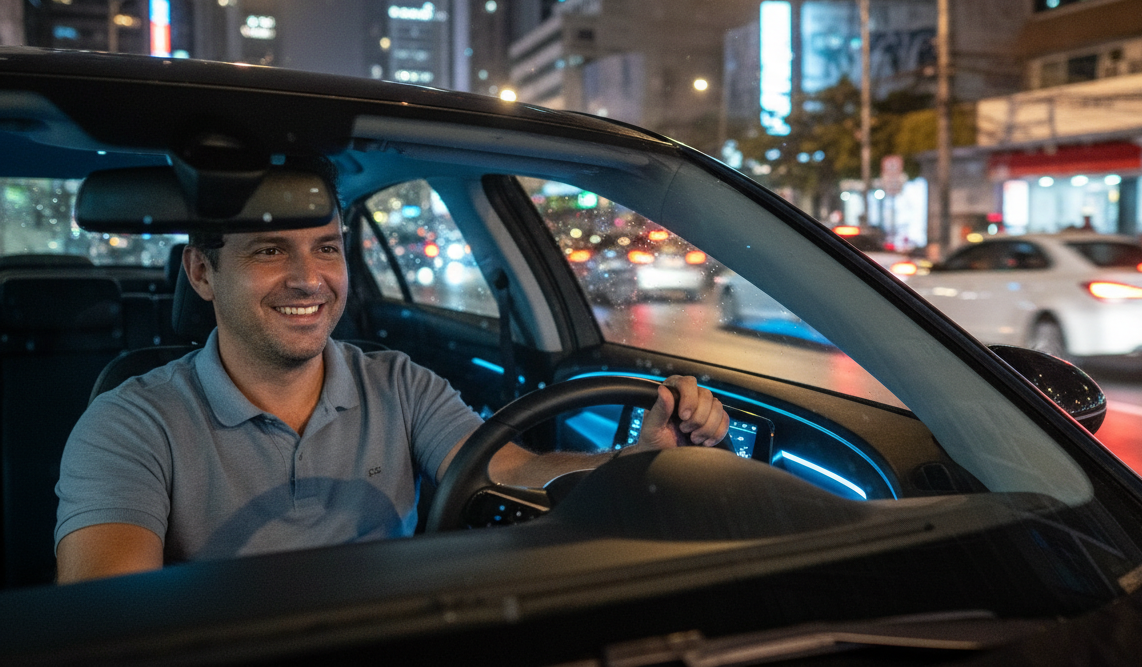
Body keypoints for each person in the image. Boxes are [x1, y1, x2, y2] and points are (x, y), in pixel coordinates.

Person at [54, 208, 728, 584]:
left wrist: (644, 457)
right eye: (268, 251)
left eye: (325, 248)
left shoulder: (398, 383)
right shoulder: (130, 421)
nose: (307, 279)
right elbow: (110, 613)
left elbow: (515, 469)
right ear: (202, 272)